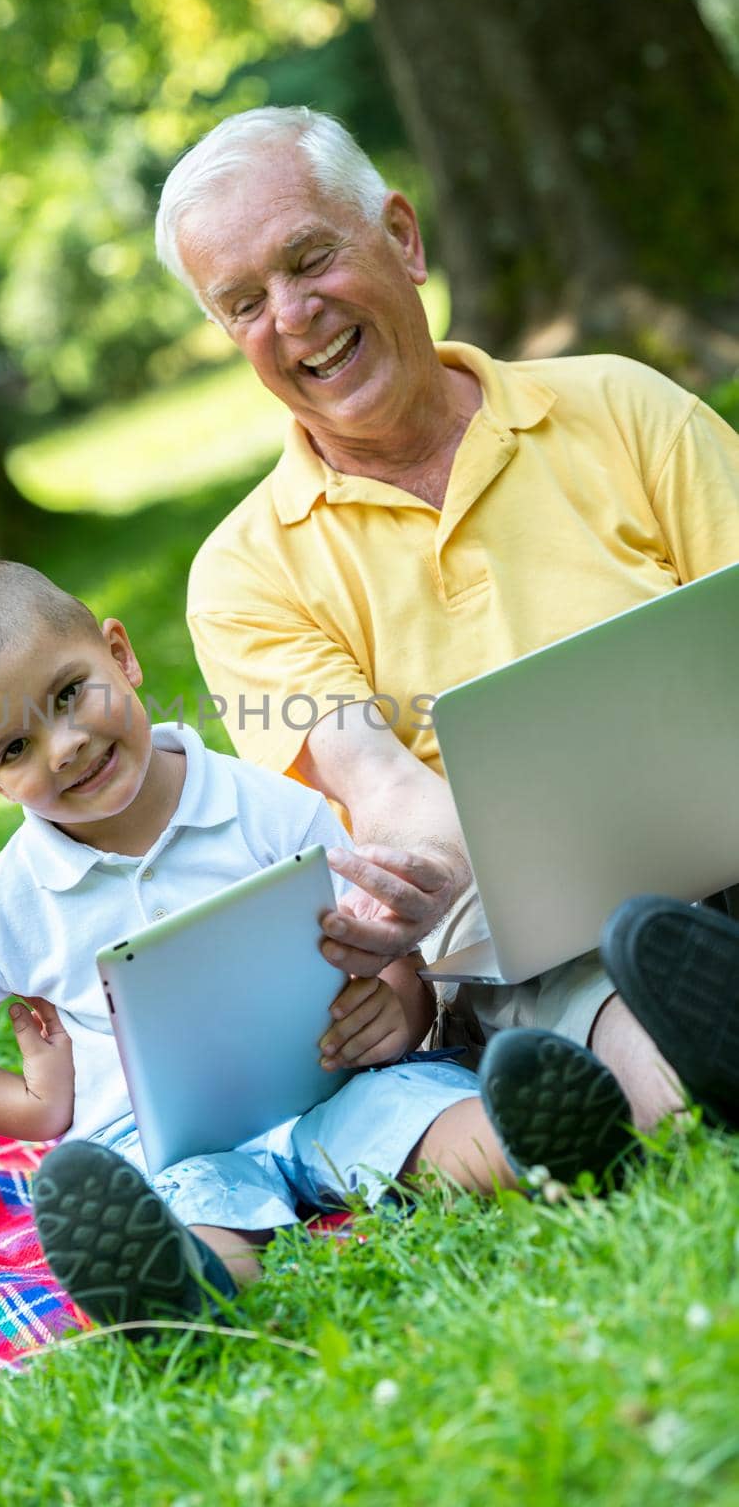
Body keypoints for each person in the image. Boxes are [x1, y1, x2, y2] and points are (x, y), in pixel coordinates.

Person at [155, 105, 739, 1133]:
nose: (292, 316)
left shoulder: (621, 407)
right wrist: (432, 872)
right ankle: (695, 1064)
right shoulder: (244, 573)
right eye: (244, 302)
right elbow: (372, 777)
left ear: (404, 238)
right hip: (542, 925)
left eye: (310, 258)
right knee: (604, 1000)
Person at [0, 560, 633, 1329]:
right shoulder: (5, 905)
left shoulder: (265, 807)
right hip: (162, 1140)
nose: (62, 747)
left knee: (428, 1119)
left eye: (67, 695)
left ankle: (543, 1140)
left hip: (333, 1083)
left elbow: (381, 943)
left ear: (120, 655)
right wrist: (33, 1109)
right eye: (14, 749)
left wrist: (397, 1004)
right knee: (185, 1219)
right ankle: (182, 1290)